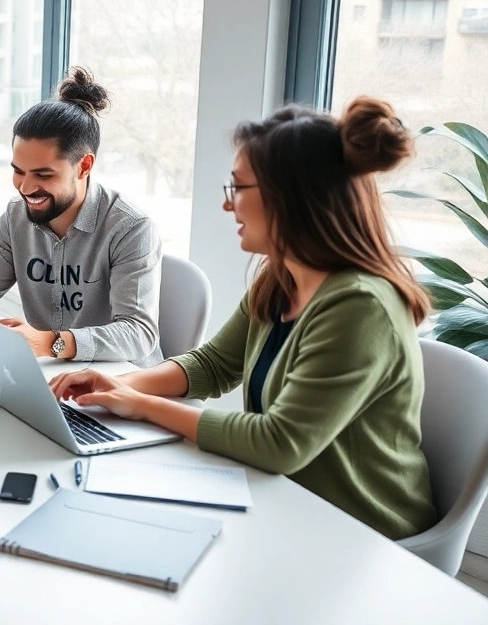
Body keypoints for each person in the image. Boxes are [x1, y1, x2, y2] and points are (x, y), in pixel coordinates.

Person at [49, 97, 438, 541]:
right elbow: (214, 365)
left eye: (238, 189)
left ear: (291, 197)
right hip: (286, 504)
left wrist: (142, 406)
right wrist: (116, 385)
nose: (227, 207)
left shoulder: (361, 306)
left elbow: (278, 444)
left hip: (364, 536)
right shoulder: (280, 277)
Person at [0, 66, 162, 366]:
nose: (26, 187)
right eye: (18, 171)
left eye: (43, 174)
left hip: (120, 385)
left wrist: (52, 343)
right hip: (47, 377)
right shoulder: (15, 217)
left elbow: (138, 334)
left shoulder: (130, 228)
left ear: (84, 167)